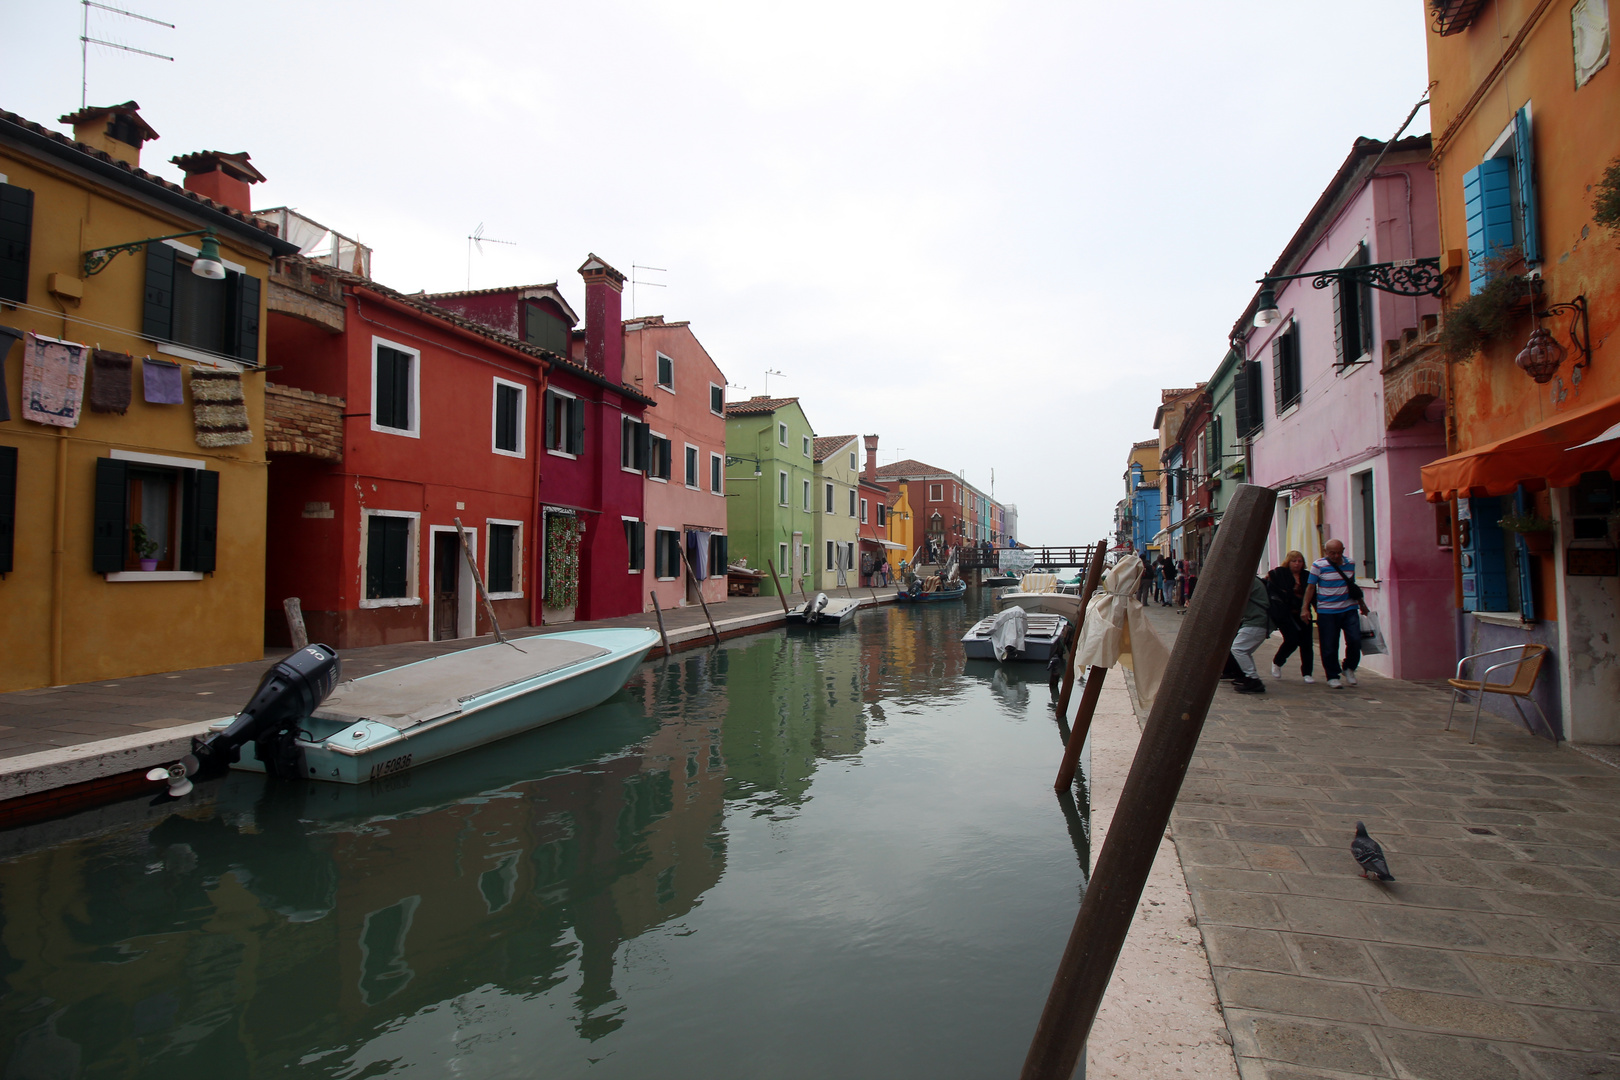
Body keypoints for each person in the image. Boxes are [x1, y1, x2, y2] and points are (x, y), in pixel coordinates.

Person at [1302, 539, 1370, 689]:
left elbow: (1352, 585)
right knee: (1329, 644)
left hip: (1349, 608)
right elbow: (1311, 588)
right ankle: (1332, 675)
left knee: (1355, 640)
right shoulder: (1318, 565)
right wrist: (1305, 608)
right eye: (1333, 553)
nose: (1336, 555)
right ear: (1326, 552)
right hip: (1327, 611)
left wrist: (1362, 604)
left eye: (1339, 552)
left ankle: (1349, 667)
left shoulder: (1350, 563)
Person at [1265, 550, 1315, 683]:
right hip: (1285, 614)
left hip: (1304, 613)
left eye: (1300, 561)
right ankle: (1277, 662)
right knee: (1292, 640)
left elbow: (1312, 594)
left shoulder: (1307, 576)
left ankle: (1307, 673)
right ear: (1289, 562)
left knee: (1307, 643)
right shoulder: (1280, 575)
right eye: (1294, 561)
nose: (1297, 564)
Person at [1230, 574, 1275, 693]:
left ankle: (1253, 678)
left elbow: (1236, 598)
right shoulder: (1253, 581)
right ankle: (1249, 677)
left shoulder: (1248, 582)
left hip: (1257, 621)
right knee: (1244, 650)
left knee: (1238, 648)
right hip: (1258, 621)